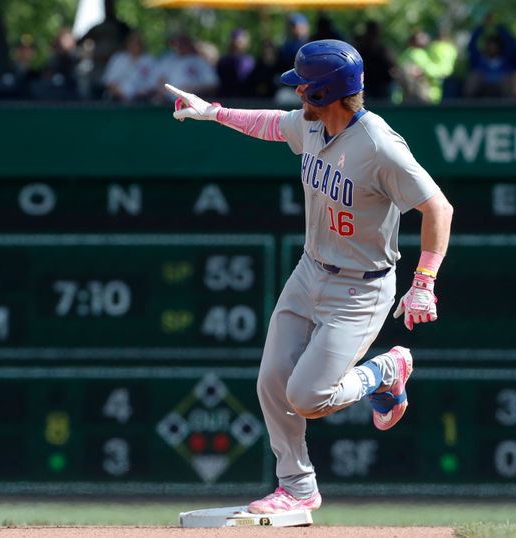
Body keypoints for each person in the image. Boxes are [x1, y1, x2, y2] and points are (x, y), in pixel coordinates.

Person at [165, 39, 453, 514]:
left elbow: (438, 207)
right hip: (310, 269)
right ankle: (297, 486)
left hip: (361, 286)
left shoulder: (379, 145)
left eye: (304, 87)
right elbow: (270, 125)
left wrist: (424, 282)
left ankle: (386, 370)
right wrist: (213, 112)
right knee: (271, 381)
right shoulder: (313, 126)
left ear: (326, 94)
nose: (297, 93)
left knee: (308, 397)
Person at [102, 31, 160, 103]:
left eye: (137, 43)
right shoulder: (118, 58)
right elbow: (109, 81)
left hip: (142, 100)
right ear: (127, 44)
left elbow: (154, 83)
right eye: (132, 43)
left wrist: (142, 92)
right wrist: (120, 93)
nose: (135, 46)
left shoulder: (150, 60)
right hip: (117, 99)